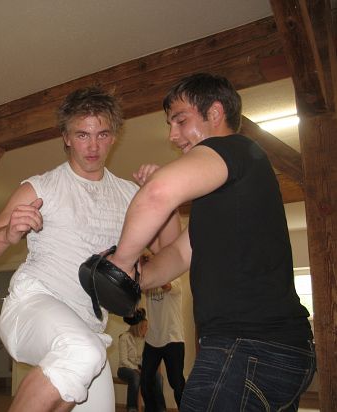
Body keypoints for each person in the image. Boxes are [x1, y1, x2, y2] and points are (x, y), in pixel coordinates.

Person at [109, 72, 316, 411]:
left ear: (215, 113)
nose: (172, 135)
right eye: (170, 124)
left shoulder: (233, 147)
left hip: (249, 346)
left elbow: (158, 193)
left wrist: (119, 262)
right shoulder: (222, 196)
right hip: (272, 349)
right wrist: (132, 278)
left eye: (180, 120)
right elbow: (176, 255)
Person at [0, 86, 180, 412]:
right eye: (82, 135)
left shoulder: (129, 195)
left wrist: (165, 194)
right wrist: (7, 235)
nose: (93, 146)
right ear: (66, 137)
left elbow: (170, 251)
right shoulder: (41, 187)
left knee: (88, 361)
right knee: (82, 352)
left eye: (102, 134)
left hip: (89, 331)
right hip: (32, 305)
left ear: (114, 137)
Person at [140, 253, 185, 411]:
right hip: (152, 339)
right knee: (145, 382)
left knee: (176, 383)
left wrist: (154, 264)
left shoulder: (175, 279)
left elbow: (166, 285)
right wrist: (142, 266)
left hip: (173, 338)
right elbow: (138, 284)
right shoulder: (148, 284)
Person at [118, 308, 165, 412]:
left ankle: (160, 408)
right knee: (135, 377)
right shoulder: (124, 337)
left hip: (139, 368)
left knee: (158, 377)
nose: (147, 329)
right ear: (138, 326)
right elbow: (124, 360)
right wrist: (136, 369)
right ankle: (132, 408)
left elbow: (144, 360)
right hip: (124, 369)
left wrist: (147, 368)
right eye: (145, 326)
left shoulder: (144, 340)